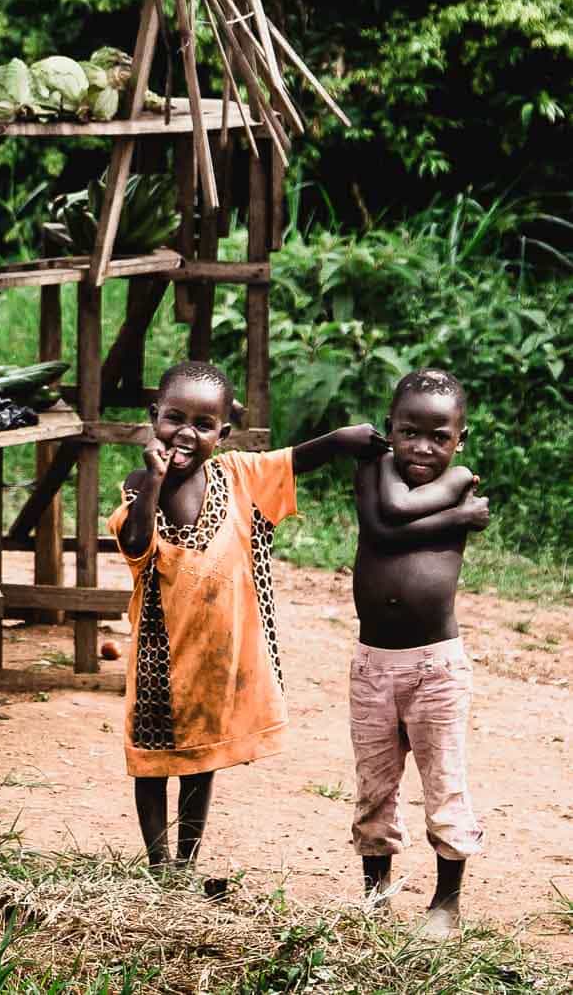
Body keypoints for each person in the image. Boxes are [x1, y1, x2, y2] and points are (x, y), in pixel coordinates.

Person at [111, 359, 388, 879]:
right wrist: (152, 479)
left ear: (224, 433)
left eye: (204, 424)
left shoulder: (239, 477)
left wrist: (342, 439)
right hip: (158, 657)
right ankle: (157, 866)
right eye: (175, 418)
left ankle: (185, 865)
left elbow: (295, 460)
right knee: (151, 763)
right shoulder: (137, 482)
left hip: (219, 661)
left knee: (201, 761)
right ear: (154, 417)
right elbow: (133, 542)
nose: (186, 434)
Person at [350, 367, 489, 940]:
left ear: (459, 438)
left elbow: (398, 512)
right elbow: (383, 528)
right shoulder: (375, 471)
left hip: (436, 666)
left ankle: (446, 903)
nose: (423, 447)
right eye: (410, 432)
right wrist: (457, 520)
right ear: (390, 428)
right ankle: (375, 898)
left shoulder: (459, 478)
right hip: (372, 664)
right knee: (374, 787)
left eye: (439, 435)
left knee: (444, 783)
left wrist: (451, 504)